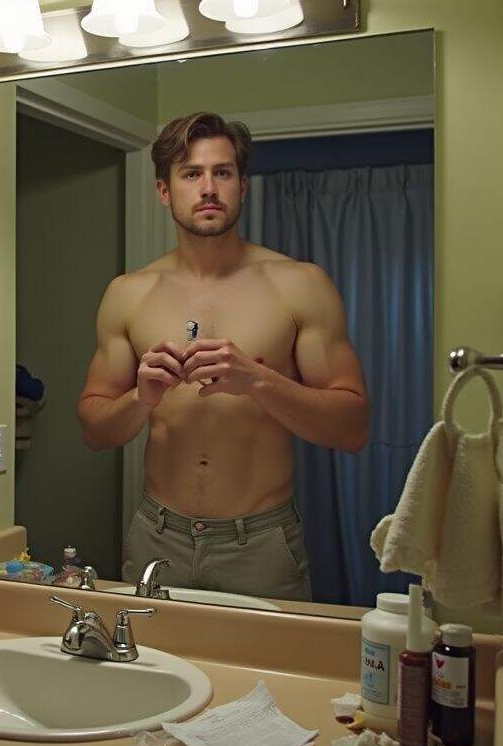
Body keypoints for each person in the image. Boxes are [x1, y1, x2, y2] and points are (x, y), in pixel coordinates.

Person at [77, 112, 370, 603]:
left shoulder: (300, 285)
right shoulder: (128, 294)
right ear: (164, 190)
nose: (209, 188)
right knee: (147, 655)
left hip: (260, 544)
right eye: (192, 174)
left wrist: (258, 381)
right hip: (158, 537)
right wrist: (141, 399)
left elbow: (354, 428)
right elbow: (94, 431)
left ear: (243, 185)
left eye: (223, 172)